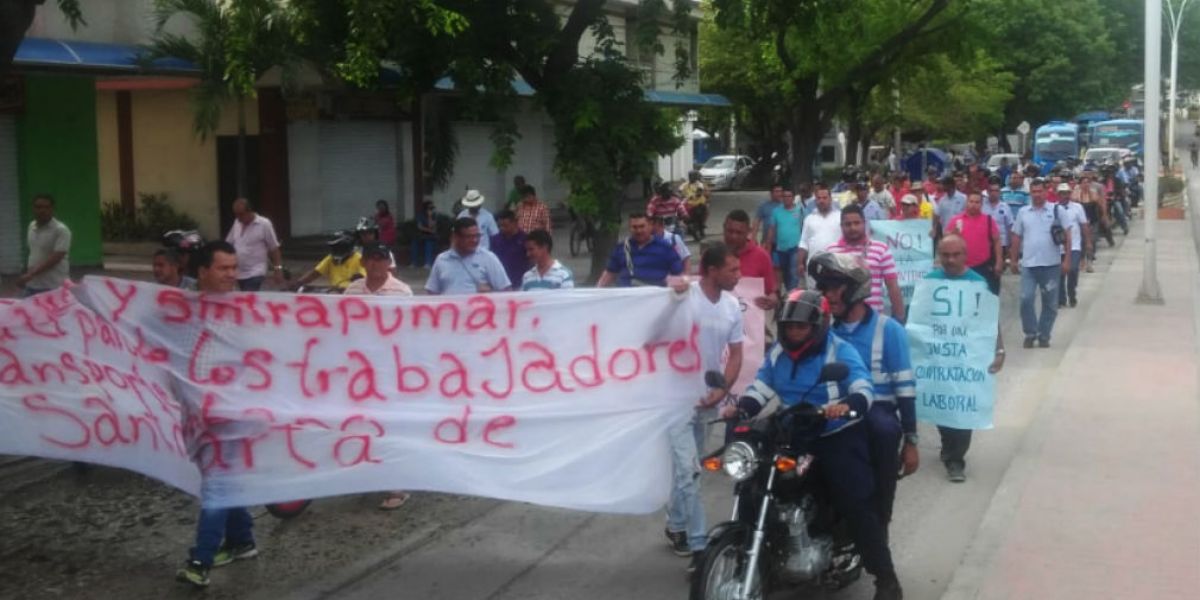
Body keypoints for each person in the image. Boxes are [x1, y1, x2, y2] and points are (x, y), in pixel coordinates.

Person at [721, 289, 903, 600]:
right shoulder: (779, 352)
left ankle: (886, 580)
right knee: (755, 485)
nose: (793, 332)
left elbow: (863, 386)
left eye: (800, 327)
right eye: (789, 326)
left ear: (818, 326)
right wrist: (742, 409)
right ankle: (757, 553)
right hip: (793, 430)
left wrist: (847, 405)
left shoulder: (839, 351)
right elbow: (762, 386)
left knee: (855, 502)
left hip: (836, 433)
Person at [810, 252, 917, 532]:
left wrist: (911, 440)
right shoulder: (822, 332)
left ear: (855, 289)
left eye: (833, 288)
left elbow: (905, 389)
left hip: (875, 408)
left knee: (882, 431)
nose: (827, 296)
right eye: (823, 289)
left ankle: (878, 525)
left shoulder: (889, 329)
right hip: (833, 409)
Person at [176, 241, 258, 588]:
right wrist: (86, 297)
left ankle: (200, 560)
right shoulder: (184, 308)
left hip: (231, 418)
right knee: (225, 482)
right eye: (223, 268)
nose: (231, 275)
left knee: (217, 486)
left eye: (234, 268)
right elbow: (132, 320)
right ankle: (242, 541)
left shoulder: (248, 312)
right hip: (197, 416)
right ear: (202, 272)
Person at [666, 244, 744, 573]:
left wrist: (721, 389)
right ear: (711, 271)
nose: (738, 276)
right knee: (690, 472)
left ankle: (676, 522)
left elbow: (736, 354)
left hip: (707, 401)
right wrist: (671, 291)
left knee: (689, 468)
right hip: (675, 400)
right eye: (732, 270)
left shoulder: (732, 307)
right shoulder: (684, 296)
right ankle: (700, 547)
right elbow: (652, 321)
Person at [924, 234, 1005, 482]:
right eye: (945, 255)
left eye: (955, 254)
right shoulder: (929, 282)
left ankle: (956, 459)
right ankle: (948, 445)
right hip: (939, 358)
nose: (950, 260)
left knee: (962, 408)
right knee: (942, 406)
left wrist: (999, 350)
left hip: (967, 357)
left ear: (965, 256)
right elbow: (918, 320)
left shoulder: (978, 283)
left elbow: (990, 319)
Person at [343, 242, 414, 509]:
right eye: (370, 259)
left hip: (390, 369)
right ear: (363, 263)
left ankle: (397, 485)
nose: (375, 264)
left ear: (388, 263)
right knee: (362, 423)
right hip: (359, 369)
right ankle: (368, 474)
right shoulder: (352, 291)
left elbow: (410, 331)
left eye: (380, 259)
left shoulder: (402, 291)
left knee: (391, 425)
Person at [1010, 178, 1070, 349]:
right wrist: (1013, 260)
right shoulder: (1023, 212)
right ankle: (1030, 332)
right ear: (1030, 193)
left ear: (1046, 192)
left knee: (1050, 303)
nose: (1037, 195)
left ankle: (1044, 334)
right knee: (1025, 299)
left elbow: (1067, 235)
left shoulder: (1057, 211)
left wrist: (1067, 260)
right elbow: (1016, 236)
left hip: (1051, 265)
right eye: (1034, 192)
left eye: (1040, 191)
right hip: (1029, 265)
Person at [826, 205, 906, 322]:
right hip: (841, 322)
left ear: (864, 223)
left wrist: (899, 317)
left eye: (857, 223)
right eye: (848, 224)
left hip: (874, 320)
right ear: (841, 226)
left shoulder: (881, 249)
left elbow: (892, 285)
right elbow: (827, 290)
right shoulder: (831, 252)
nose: (853, 227)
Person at [425, 217, 511, 294]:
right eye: (469, 237)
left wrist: (490, 293)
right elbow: (432, 292)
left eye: (477, 236)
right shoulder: (441, 260)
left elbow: (506, 290)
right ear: (455, 237)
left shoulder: (488, 258)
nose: (475, 240)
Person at [596, 213, 683, 287]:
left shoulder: (665, 247)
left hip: (655, 300)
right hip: (627, 300)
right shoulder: (621, 248)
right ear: (630, 228)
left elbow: (679, 274)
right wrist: (596, 293)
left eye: (642, 226)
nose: (638, 230)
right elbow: (609, 274)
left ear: (650, 226)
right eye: (634, 227)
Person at [946, 191, 1003, 295]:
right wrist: (952, 234)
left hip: (983, 267)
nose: (973, 205)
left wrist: (999, 262)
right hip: (962, 268)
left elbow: (997, 241)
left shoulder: (988, 220)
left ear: (981, 204)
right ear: (967, 202)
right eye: (971, 201)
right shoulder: (956, 220)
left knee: (984, 299)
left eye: (977, 202)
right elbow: (945, 242)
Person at [723, 209, 778, 310]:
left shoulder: (762, 256)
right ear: (724, 228)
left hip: (750, 322)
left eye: (739, 233)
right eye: (730, 231)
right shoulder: (711, 255)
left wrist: (771, 301)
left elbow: (772, 293)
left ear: (748, 232)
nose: (733, 236)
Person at [225, 198, 283, 291]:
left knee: (248, 297)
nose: (238, 218)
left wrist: (278, 269)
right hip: (239, 272)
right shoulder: (237, 222)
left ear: (249, 211)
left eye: (241, 214)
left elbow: (274, 248)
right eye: (236, 214)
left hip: (256, 271)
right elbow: (228, 243)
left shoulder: (264, 224)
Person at [20, 194, 71, 296]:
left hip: (54, 286)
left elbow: (56, 258)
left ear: (52, 209)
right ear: (33, 209)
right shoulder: (31, 226)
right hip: (33, 284)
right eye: (38, 207)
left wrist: (30, 275)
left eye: (46, 207)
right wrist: (28, 275)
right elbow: (33, 253)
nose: (42, 210)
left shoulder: (61, 230)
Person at [797, 184, 842, 284]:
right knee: (815, 297)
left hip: (836, 266)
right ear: (815, 200)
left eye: (824, 198)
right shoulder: (809, 219)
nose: (821, 201)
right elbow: (803, 242)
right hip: (814, 267)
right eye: (819, 198)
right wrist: (800, 263)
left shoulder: (840, 217)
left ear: (830, 199)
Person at [290, 232, 365, 291]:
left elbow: (362, 280)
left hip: (353, 293)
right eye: (334, 248)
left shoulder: (360, 258)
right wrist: (299, 283)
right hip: (334, 292)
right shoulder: (330, 259)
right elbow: (315, 273)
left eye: (338, 248)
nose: (336, 250)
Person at [1058, 183, 1090, 309]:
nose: (1064, 195)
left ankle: (1072, 294)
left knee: (1072, 270)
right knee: (1059, 273)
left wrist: (1088, 242)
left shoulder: (1077, 207)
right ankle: (1061, 299)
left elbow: (1084, 225)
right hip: (1059, 247)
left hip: (1075, 246)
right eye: (1061, 193)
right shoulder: (1054, 208)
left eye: (1066, 193)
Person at [765, 189, 804, 291]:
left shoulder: (800, 210)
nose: (787, 198)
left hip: (795, 248)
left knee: (793, 272)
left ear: (793, 198)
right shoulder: (776, 211)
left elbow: (805, 227)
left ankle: (791, 295)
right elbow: (772, 229)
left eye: (789, 196)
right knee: (783, 273)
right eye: (784, 196)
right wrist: (768, 245)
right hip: (780, 248)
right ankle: (787, 291)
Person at [490, 210, 529, 288]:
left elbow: (531, 261)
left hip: (520, 282)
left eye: (505, 225)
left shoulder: (526, 239)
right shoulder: (494, 239)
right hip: (500, 283)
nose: (501, 228)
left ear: (515, 223)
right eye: (499, 226)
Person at [983, 177, 1015, 267]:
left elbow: (1010, 227)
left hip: (1002, 243)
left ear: (1000, 192)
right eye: (991, 191)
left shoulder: (1005, 207)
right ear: (987, 192)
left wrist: (1010, 247)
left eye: (996, 191)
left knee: (998, 269)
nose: (994, 193)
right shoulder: (982, 206)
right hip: (985, 243)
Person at [931, 176, 966, 245]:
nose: (942, 186)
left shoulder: (963, 198)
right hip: (946, 235)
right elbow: (936, 215)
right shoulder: (942, 200)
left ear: (951, 185)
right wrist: (934, 229)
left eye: (944, 184)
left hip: (961, 234)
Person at [411, 200, 439, 268]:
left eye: (432, 208)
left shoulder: (434, 216)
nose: (431, 209)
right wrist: (430, 230)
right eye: (429, 208)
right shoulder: (420, 215)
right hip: (422, 235)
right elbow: (420, 227)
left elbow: (432, 226)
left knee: (428, 243)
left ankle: (428, 263)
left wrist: (429, 216)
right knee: (414, 243)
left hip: (431, 237)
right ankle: (414, 263)